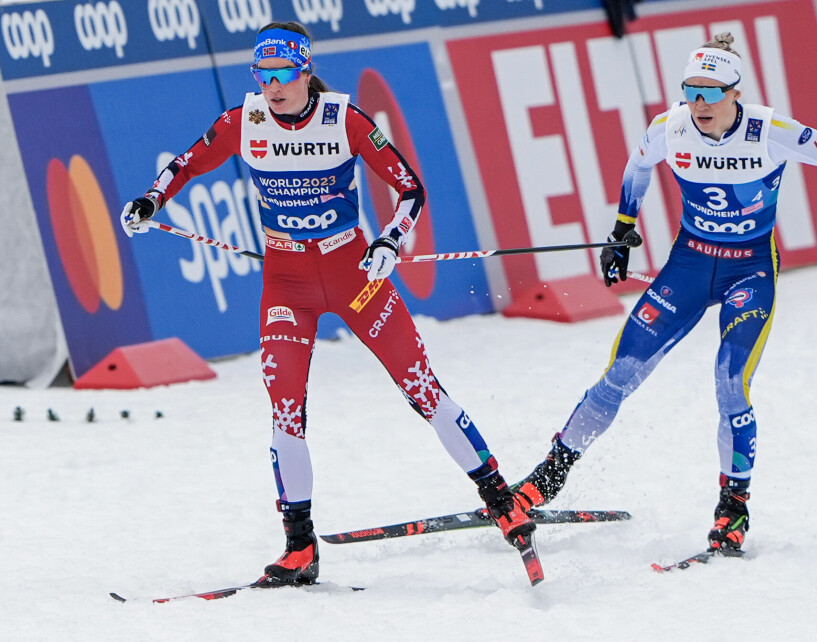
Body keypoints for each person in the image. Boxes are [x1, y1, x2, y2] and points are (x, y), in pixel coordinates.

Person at [119, 21, 535, 585]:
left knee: (421, 389)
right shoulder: (245, 121)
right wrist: (149, 200)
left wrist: (389, 240)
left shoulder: (345, 119)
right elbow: (188, 162)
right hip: (287, 284)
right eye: (263, 75)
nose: (273, 85)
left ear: (306, 70)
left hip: (354, 276)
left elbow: (410, 188)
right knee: (286, 410)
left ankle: (500, 497)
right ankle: (299, 545)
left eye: (284, 73)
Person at [511, 33, 817, 556]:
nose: (699, 103)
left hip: (749, 270)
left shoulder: (771, 130)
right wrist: (623, 228)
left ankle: (733, 508)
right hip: (690, 264)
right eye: (690, 90)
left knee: (730, 384)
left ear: (734, 93)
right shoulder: (669, 127)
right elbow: (638, 167)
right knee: (620, 374)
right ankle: (545, 479)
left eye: (711, 92)